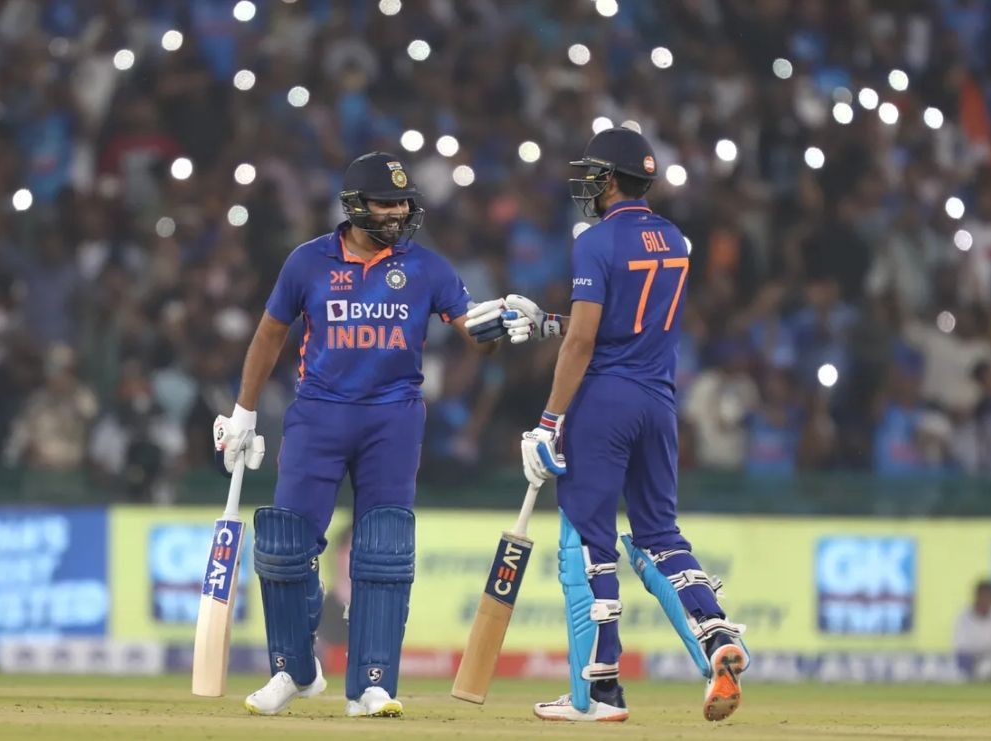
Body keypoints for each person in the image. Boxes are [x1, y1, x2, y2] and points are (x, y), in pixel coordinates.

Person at [467, 128, 749, 722]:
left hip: (604, 405)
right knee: (660, 537)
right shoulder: (674, 239)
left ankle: (595, 694)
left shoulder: (595, 242)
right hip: (658, 403)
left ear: (612, 179)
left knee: (586, 543)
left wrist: (548, 421)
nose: (588, 184)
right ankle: (717, 637)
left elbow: (589, 341)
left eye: (596, 173)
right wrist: (545, 321)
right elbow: (628, 320)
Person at [213, 152, 499, 718]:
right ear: (353, 206)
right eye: (384, 203)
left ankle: (372, 684)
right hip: (318, 414)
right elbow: (269, 336)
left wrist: (500, 324)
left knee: (383, 550)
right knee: (285, 545)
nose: (396, 213)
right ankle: (292, 671)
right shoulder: (307, 262)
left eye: (402, 202)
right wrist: (243, 411)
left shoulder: (428, 267)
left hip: (393, 418)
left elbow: (475, 336)